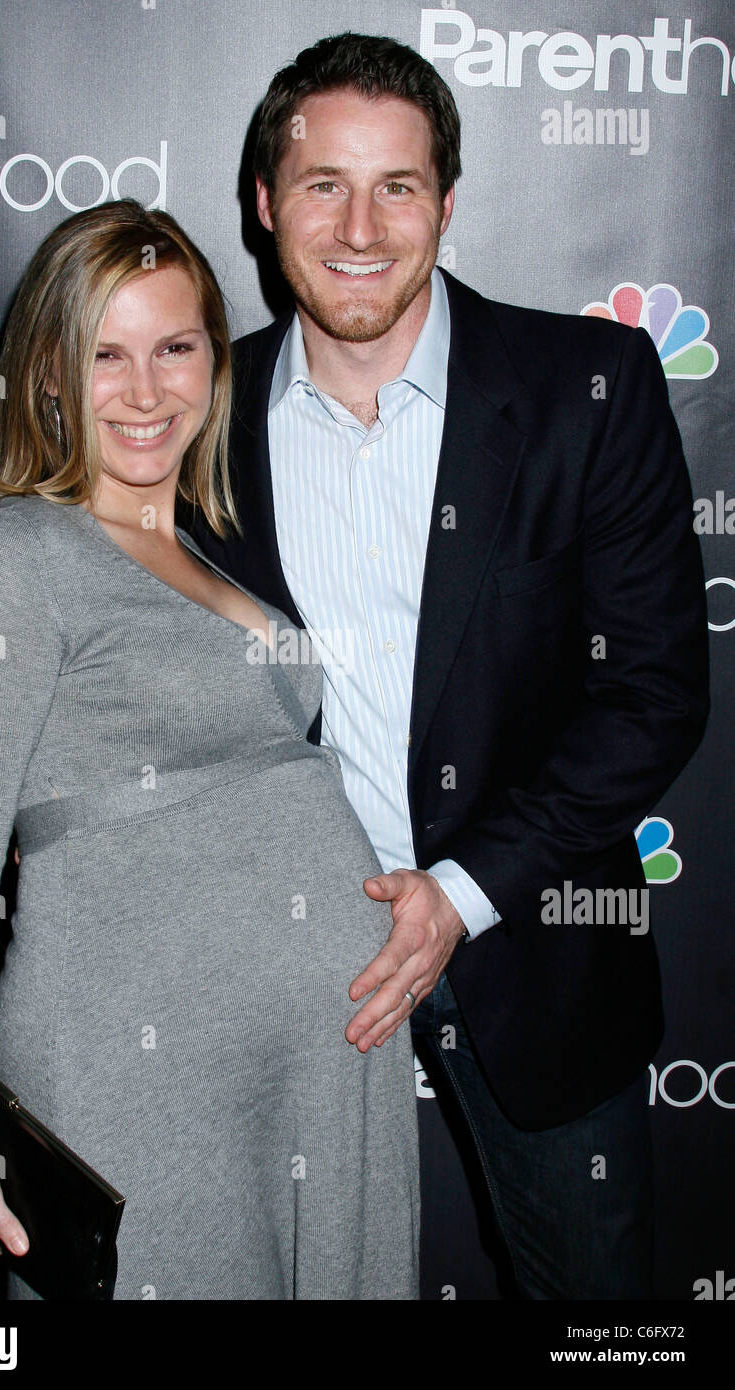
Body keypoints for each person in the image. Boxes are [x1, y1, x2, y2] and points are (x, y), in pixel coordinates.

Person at [183, 32, 710, 1299]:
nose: (359, 228)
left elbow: (649, 693)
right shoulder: (188, 417)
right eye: (322, 184)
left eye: (397, 187)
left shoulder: (588, 387)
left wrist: (460, 894)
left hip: (529, 947)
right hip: (277, 972)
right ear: (264, 203)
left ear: (447, 201)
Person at [0, 199, 420, 1300]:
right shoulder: (15, 560)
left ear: (214, 364)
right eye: (106, 355)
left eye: (175, 348)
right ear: (49, 375)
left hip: (327, 1060)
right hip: (134, 1061)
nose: (145, 391)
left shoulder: (211, 555)